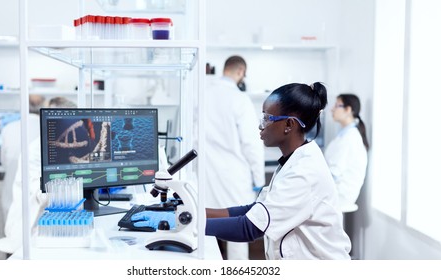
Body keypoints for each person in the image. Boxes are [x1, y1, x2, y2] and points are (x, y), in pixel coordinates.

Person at [132, 82, 351, 260]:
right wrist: (188, 211)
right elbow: (252, 210)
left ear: (289, 125)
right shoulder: (294, 160)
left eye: (267, 118)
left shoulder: (304, 171)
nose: (260, 125)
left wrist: (182, 223)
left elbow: (249, 228)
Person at [0, 97, 77, 254]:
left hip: (55, 224)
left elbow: (3, 162)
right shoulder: (36, 150)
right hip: (34, 222)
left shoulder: (62, 144)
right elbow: (43, 195)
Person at [202, 55, 265, 259]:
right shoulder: (240, 98)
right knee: (237, 232)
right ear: (240, 72)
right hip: (234, 175)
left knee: (205, 228)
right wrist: (259, 180)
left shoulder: (203, 94)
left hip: (206, 172)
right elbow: (252, 143)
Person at [0, 94, 45, 221]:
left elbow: (4, 163)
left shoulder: (9, 128)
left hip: (12, 194)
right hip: (38, 197)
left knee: (12, 234)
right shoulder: (48, 127)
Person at [324, 94, 369, 208]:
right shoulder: (345, 135)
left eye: (337, 105)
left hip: (340, 193)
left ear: (348, 110)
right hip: (335, 189)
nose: (332, 109)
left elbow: (334, 172)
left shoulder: (350, 138)